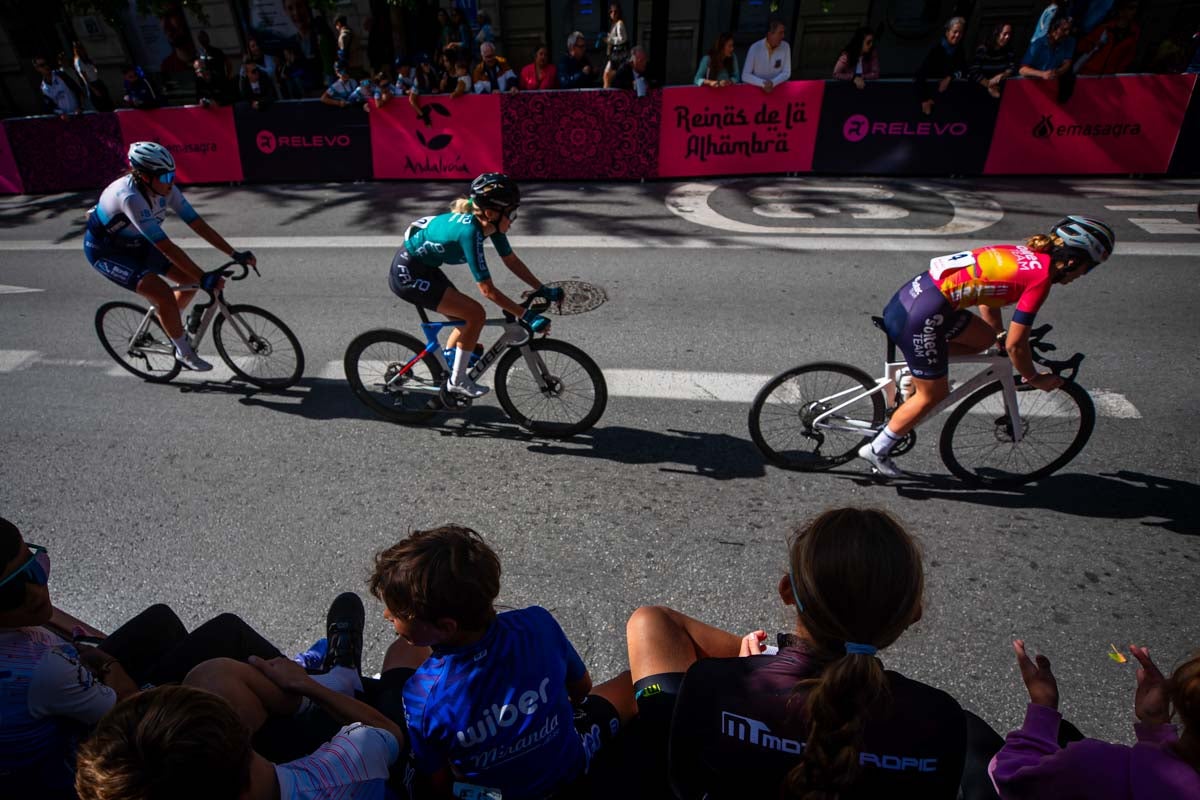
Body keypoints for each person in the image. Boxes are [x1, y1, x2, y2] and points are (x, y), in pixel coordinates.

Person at [625, 508, 967, 798]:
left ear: (787, 591)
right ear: (913, 614)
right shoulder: (942, 719)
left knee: (650, 631)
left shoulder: (714, 684)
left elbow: (683, 784)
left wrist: (744, 676)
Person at [367, 525, 636, 798]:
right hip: (567, 770)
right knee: (631, 681)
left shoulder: (421, 694)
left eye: (397, 613)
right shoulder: (537, 624)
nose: (388, 615)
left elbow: (437, 780)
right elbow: (581, 690)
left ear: (446, 627)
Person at [858, 216, 1115, 478]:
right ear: (1073, 261)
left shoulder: (1024, 253)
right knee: (933, 394)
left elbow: (989, 298)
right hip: (922, 315)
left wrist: (999, 334)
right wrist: (1034, 377)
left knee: (984, 339)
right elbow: (1016, 346)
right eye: (1089, 268)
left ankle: (917, 371)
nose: (1084, 275)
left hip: (915, 297)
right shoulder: (1041, 279)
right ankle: (878, 449)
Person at [74, 666, 405, 800]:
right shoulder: (341, 774)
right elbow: (386, 732)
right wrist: (308, 686)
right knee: (399, 669)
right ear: (239, 727)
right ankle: (327, 678)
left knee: (213, 674)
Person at [84, 142, 256, 371]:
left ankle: (171, 325)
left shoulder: (166, 189)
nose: (171, 182)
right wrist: (204, 276)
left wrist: (234, 253)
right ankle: (184, 352)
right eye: (165, 177)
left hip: (136, 244)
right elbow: (166, 246)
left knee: (189, 282)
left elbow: (197, 224)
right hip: (106, 252)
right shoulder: (130, 198)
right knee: (163, 292)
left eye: (172, 175)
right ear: (144, 176)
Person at [387, 173, 559, 397]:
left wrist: (541, 287)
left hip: (425, 268)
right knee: (475, 314)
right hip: (408, 274)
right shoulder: (470, 232)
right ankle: (457, 381)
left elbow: (511, 261)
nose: (515, 219)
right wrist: (527, 316)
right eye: (513, 214)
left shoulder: (491, 224)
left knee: (464, 321)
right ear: (490, 213)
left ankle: (448, 372)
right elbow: (487, 290)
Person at [988, 642, 1200, 799]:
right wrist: (1156, 727)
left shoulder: (1094, 764)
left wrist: (1042, 707)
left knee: (969, 729)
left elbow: (1010, 780)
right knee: (1064, 731)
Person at [915, 17, 967, 115]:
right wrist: (924, 100)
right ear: (947, 32)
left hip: (948, 101)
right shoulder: (936, 50)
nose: (957, 35)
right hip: (928, 100)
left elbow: (964, 69)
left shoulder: (960, 49)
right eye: (955, 32)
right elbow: (920, 74)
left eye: (960, 32)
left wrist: (950, 78)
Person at [1074, 0, 1140, 74]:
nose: (1134, 12)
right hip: (1088, 73)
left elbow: (1126, 60)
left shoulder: (1134, 33)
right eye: (1131, 8)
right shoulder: (1104, 27)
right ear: (1122, 9)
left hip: (1108, 78)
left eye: (1136, 8)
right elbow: (1081, 46)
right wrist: (1093, 44)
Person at [1020, 12, 1075, 79]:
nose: (1067, 33)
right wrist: (1042, 74)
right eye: (1064, 30)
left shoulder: (1069, 41)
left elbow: (1067, 63)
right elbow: (1022, 70)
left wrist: (1058, 72)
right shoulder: (1038, 44)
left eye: (1069, 30)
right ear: (1053, 29)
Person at [970, 23, 1017, 98]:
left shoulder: (1009, 52)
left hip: (999, 92)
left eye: (1009, 34)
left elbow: (1012, 68)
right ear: (997, 34)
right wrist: (989, 85)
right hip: (979, 92)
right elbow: (974, 71)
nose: (1007, 37)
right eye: (1005, 34)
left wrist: (1002, 75)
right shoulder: (983, 50)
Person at [743, 19, 791, 93]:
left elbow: (787, 72)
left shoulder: (786, 47)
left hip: (778, 93)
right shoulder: (755, 47)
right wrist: (763, 83)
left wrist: (773, 83)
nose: (783, 36)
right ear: (770, 34)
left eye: (784, 32)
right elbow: (745, 75)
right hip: (756, 93)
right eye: (780, 33)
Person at [73, 41, 113, 111]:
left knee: (108, 102)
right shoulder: (79, 61)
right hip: (92, 85)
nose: (82, 50)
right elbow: (84, 77)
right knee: (101, 106)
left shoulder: (85, 58)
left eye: (82, 48)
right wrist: (94, 89)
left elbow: (93, 68)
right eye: (80, 49)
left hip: (97, 81)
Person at [601, 3, 630, 89]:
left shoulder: (619, 23)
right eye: (611, 12)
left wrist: (609, 40)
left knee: (607, 75)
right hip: (613, 55)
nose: (613, 14)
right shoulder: (613, 24)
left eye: (615, 12)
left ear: (619, 13)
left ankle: (606, 94)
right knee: (608, 76)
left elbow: (623, 39)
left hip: (618, 55)